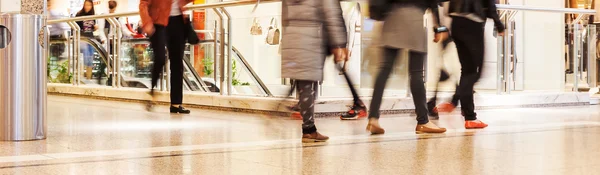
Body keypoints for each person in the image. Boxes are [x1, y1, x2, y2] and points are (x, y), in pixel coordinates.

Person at [367, 0, 449, 135]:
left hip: (392, 18)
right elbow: (434, 3)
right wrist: (438, 28)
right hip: (414, 19)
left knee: (384, 69)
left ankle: (373, 118)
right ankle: (423, 121)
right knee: (416, 73)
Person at [281, 0, 349, 142]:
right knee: (308, 83)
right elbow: (332, 15)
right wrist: (339, 43)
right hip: (312, 36)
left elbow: (285, 15)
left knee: (304, 82)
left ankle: (308, 127)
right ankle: (308, 129)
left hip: (292, 35)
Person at [447, 0, 504, 129]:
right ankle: (463, 109)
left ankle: (465, 111)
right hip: (472, 23)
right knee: (475, 73)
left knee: (467, 70)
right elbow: (490, 3)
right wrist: (499, 24)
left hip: (455, 22)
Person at [140, 0, 193, 114]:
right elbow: (143, 3)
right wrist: (146, 22)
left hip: (178, 21)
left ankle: (176, 103)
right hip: (158, 23)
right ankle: (152, 91)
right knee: (160, 58)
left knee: (177, 62)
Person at [76, 0, 103, 80]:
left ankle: (88, 78)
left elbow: (91, 29)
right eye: (86, 5)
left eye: (89, 5)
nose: (87, 7)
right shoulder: (79, 14)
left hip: (91, 39)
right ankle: (81, 78)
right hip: (82, 39)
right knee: (85, 58)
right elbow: (75, 28)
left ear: (92, 6)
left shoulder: (93, 15)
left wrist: (95, 28)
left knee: (90, 59)